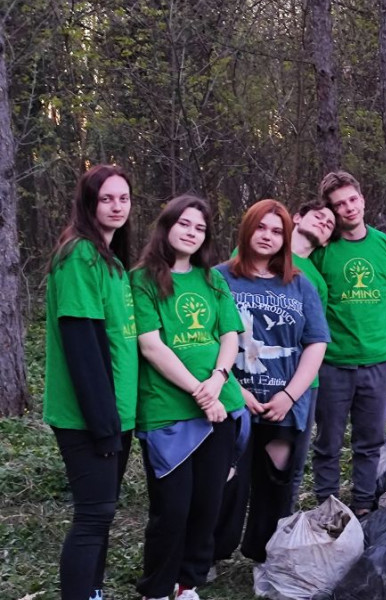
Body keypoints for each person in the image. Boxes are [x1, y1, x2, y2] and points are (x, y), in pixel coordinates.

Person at [132, 195, 246, 600]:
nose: (192, 233)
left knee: (207, 504)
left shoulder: (213, 280)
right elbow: (151, 345)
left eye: (199, 228)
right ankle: (157, 588)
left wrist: (217, 379)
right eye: (184, 224)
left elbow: (230, 336)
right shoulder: (143, 279)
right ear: (166, 226)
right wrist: (201, 394)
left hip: (221, 407)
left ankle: (186, 582)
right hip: (168, 412)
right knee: (173, 508)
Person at [213, 199, 329, 564]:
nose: (268, 236)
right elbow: (206, 340)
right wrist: (235, 389)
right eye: (261, 228)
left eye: (277, 231)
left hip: (283, 403)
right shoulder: (219, 278)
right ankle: (212, 553)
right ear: (247, 230)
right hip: (233, 399)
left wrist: (290, 396)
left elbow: (316, 342)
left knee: (276, 482)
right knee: (228, 479)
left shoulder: (299, 285)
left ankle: (264, 554)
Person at [43, 165, 137, 600]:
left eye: (123, 198)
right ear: (88, 203)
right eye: (107, 199)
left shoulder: (111, 260)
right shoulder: (79, 256)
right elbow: (83, 346)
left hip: (116, 415)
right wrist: (104, 426)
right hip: (90, 419)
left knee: (103, 514)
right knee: (93, 516)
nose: (117, 206)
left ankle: (94, 593)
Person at [310, 171, 386, 516]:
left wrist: (371, 316)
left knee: (369, 443)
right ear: (332, 211)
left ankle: (363, 506)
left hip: (378, 362)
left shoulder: (385, 245)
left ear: (363, 199)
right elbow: (307, 298)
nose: (349, 208)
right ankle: (326, 506)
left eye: (352, 200)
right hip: (333, 363)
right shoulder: (323, 251)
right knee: (328, 442)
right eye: (340, 205)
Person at [285, 200, 337, 508]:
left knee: (292, 465)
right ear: (297, 217)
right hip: (250, 377)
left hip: (302, 383)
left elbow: (316, 335)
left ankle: (280, 528)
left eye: (329, 225)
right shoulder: (255, 253)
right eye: (319, 217)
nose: (324, 223)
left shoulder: (316, 280)